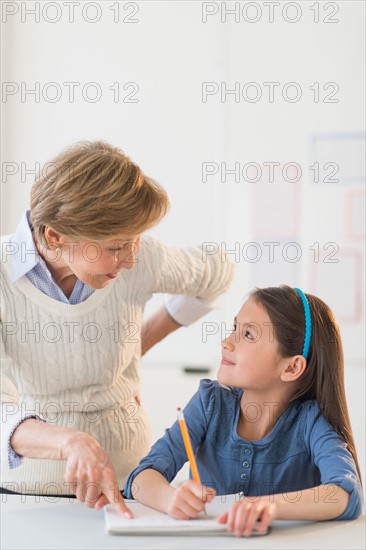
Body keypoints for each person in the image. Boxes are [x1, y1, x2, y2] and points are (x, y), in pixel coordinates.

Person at [0, 140, 234, 517]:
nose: (130, 260)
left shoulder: (138, 257)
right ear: (55, 236)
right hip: (25, 497)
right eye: (115, 248)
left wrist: (135, 347)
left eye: (135, 241)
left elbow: (216, 273)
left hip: (130, 484)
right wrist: (69, 442)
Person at [123, 286, 363, 535]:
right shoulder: (210, 403)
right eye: (234, 328)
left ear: (291, 368)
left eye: (248, 334)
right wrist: (169, 499)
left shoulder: (311, 421)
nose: (226, 342)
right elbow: (141, 477)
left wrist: (269, 506)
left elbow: (345, 493)